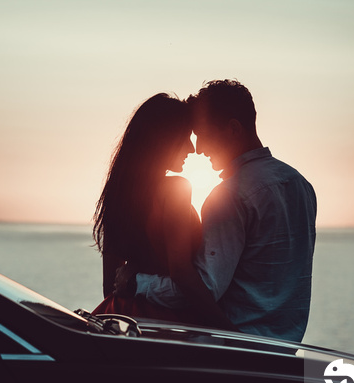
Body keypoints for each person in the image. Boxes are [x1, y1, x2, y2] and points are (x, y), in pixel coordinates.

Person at [118, 80, 317, 342]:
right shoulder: (301, 185)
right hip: (284, 346)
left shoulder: (230, 195)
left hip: (231, 349)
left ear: (233, 129)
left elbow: (203, 288)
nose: (198, 149)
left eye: (202, 135)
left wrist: (136, 283)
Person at [92, 93, 233, 330]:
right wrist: (225, 327)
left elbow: (110, 287)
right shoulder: (176, 189)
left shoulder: (119, 192)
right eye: (185, 137)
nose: (192, 149)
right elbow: (181, 273)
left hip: (122, 316)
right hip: (164, 321)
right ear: (164, 139)